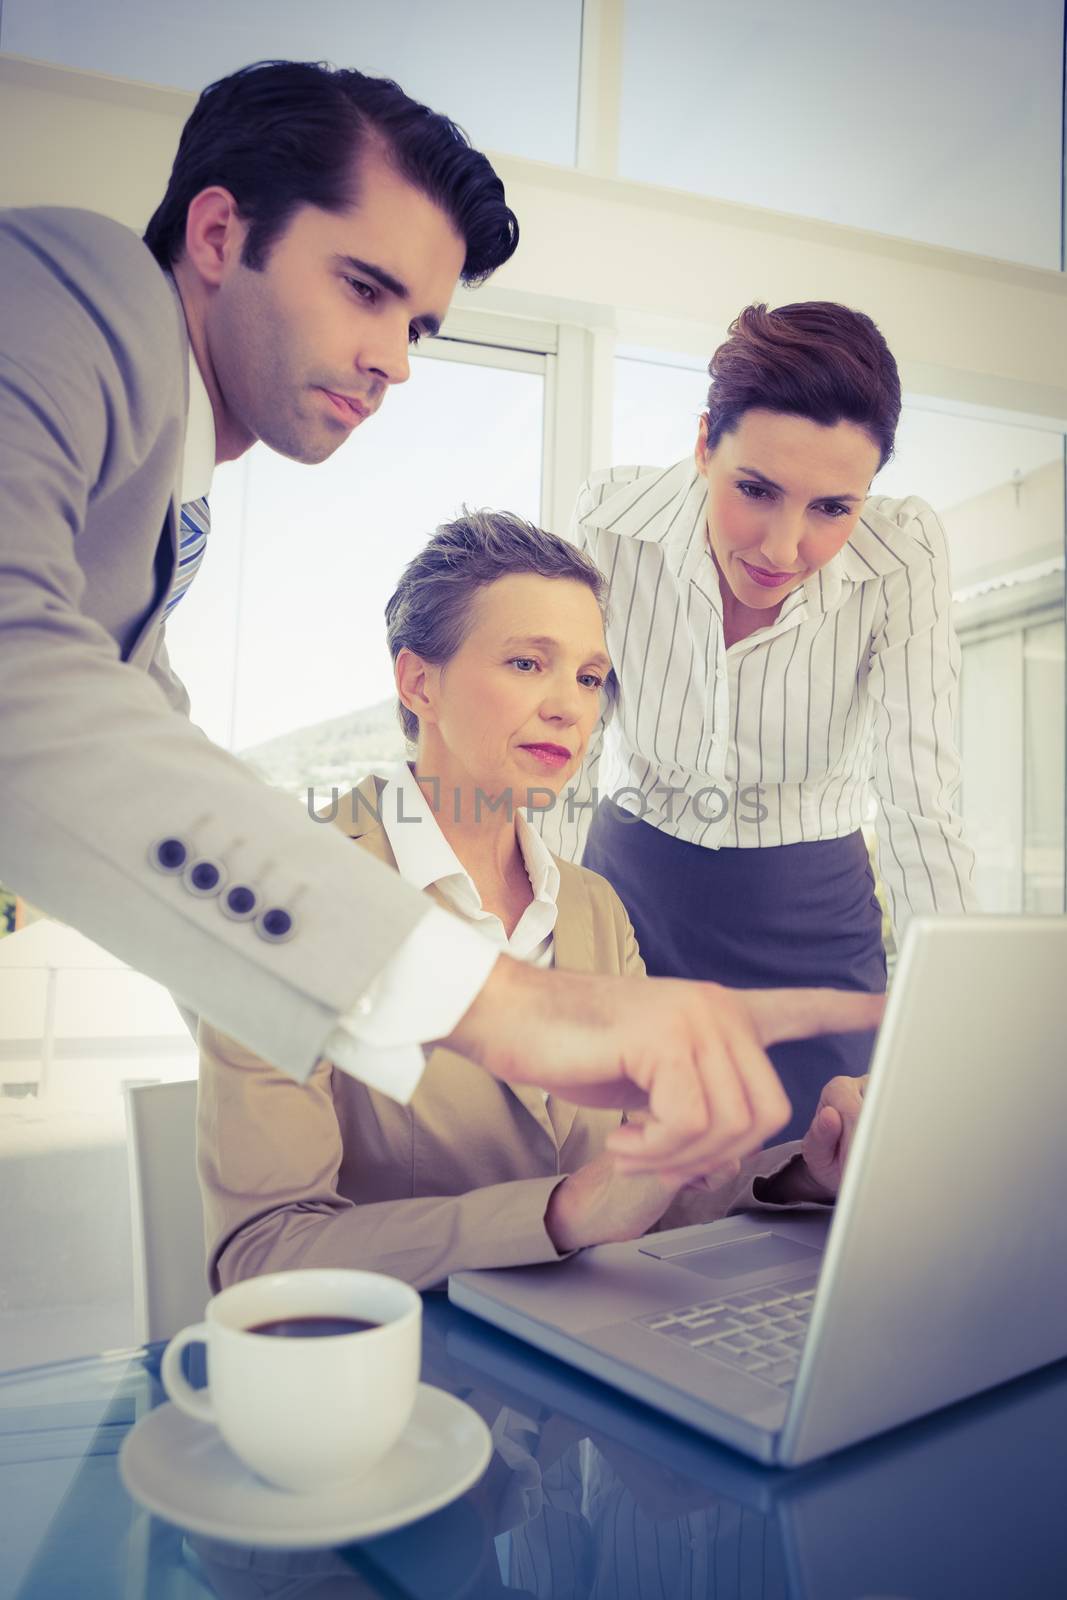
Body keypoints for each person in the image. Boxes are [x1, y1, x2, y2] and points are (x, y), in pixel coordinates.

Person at [0, 64, 881, 1177]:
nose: (396, 361)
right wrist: (502, 1005)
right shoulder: (63, 289)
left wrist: (789, 1171)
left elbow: (148, 771)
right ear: (218, 232)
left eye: (415, 321)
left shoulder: (156, 523)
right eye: (363, 289)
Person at [198, 513, 868, 1291]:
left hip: (579, 1365)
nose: (569, 707)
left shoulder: (590, 908)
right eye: (526, 663)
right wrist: (562, 1211)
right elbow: (262, 1255)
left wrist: (801, 1175)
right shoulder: (281, 898)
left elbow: (640, 1194)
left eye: (588, 678)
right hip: (399, 1377)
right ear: (418, 681)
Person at [540, 302, 977, 1139]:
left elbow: (921, 800)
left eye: (831, 508)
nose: (783, 548)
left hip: (814, 928)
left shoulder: (903, 555)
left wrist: (952, 1027)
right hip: (633, 908)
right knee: (623, 1193)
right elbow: (568, 756)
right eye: (755, 490)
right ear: (705, 443)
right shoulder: (609, 524)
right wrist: (547, 954)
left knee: (827, 1185)